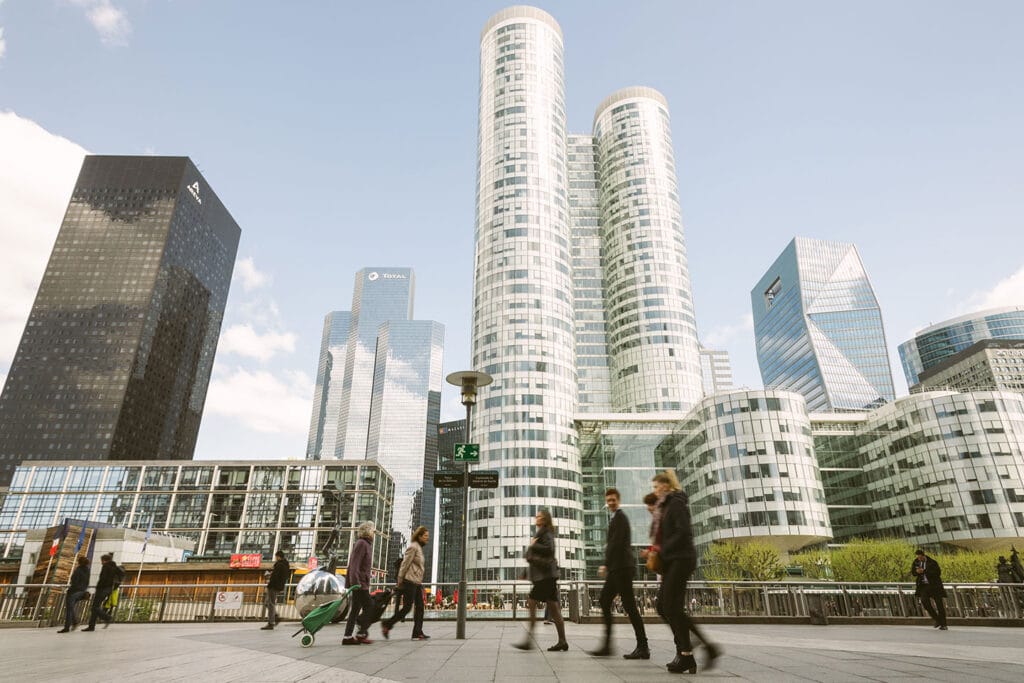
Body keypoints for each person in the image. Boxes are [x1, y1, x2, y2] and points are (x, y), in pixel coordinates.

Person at [652, 470, 720, 674]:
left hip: (681, 559)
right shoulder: (666, 506)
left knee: (670, 607)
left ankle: (688, 653)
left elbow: (683, 532)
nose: (654, 491)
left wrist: (663, 549)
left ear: (666, 486)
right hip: (673, 561)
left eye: (656, 487)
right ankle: (695, 647)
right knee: (663, 606)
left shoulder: (676, 503)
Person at [590, 488, 648, 660]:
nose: (611, 502)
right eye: (608, 500)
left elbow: (615, 544)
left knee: (629, 606)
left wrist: (605, 565)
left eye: (613, 499)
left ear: (618, 500)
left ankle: (643, 646)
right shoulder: (615, 518)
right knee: (606, 600)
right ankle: (610, 645)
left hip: (621, 569)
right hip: (618, 569)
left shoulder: (620, 518)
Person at [513, 509, 568, 652]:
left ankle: (529, 641)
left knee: (532, 601)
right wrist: (525, 572)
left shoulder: (546, 532)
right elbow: (533, 556)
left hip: (546, 576)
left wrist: (533, 544)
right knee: (554, 609)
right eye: (536, 516)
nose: (536, 518)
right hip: (546, 576)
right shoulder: (541, 533)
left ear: (544, 519)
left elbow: (549, 549)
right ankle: (562, 641)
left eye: (539, 517)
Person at [382, 526, 430, 640]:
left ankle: (417, 632)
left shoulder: (418, 548)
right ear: (419, 536)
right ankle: (387, 624)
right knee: (407, 607)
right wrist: (400, 579)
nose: (427, 538)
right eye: (425, 536)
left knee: (420, 607)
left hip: (417, 582)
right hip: (409, 581)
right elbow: (404, 564)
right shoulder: (413, 547)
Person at [342, 521, 376, 645]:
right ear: (367, 531)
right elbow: (354, 565)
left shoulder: (366, 544)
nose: (374, 533)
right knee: (370, 606)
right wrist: (355, 583)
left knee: (355, 609)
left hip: (361, 582)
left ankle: (347, 637)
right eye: (373, 530)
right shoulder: (362, 544)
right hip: (359, 584)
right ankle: (361, 633)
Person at [83, 553, 122, 631]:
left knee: (94, 607)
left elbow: (103, 579)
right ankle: (91, 626)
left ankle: (107, 617)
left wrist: (98, 587)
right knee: (95, 607)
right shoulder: (115, 567)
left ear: (104, 560)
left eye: (101, 560)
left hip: (102, 589)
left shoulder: (106, 566)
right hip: (109, 589)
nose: (101, 562)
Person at [911, 548, 947, 630]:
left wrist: (924, 571)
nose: (919, 559)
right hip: (924, 586)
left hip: (934, 586)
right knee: (925, 602)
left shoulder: (932, 562)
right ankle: (937, 619)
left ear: (924, 556)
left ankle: (944, 624)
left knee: (939, 605)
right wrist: (917, 572)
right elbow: (913, 572)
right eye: (918, 558)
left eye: (920, 558)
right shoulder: (916, 562)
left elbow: (937, 573)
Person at [58, 555, 91, 633]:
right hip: (82, 592)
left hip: (74, 592)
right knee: (71, 608)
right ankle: (74, 623)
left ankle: (67, 627)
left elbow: (74, 581)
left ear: (79, 562)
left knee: (69, 609)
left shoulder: (78, 570)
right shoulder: (88, 570)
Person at [261, 550, 290, 630]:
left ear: (278, 556)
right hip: (278, 586)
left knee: (270, 604)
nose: (275, 558)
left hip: (273, 587)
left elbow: (275, 577)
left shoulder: (279, 565)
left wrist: (269, 578)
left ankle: (271, 623)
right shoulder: (286, 565)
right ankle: (275, 616)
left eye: (276, 556)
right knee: (267, 603)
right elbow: (283, 576)